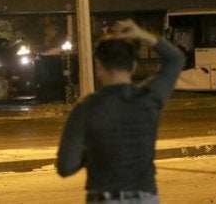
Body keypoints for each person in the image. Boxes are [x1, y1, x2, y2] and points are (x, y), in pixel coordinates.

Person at [56, 19, 185, 204]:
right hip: (145, 197)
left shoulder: (84, 109)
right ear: (133, 66)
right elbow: (176, 59)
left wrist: (92, 153)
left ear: (99, 67)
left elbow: (66, 167)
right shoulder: (149, 99)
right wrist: (141, 33)